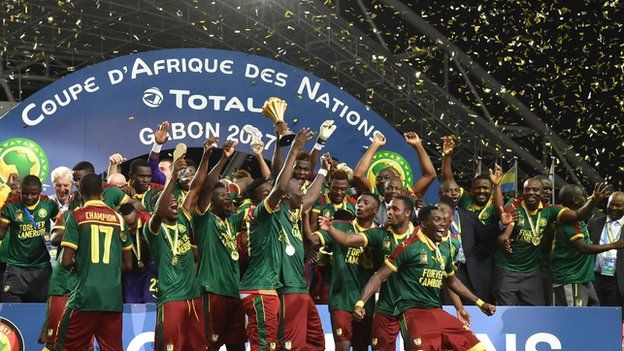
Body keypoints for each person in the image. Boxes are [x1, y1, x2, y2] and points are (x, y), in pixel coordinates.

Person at [352, 206, 496, 351]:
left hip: (436, 310)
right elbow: (378, 276)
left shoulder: (445, 249)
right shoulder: (407, 247)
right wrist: (360, 303)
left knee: (477, 347)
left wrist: (480, 303)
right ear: (424, 225)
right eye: (437, 220)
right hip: (413, 312)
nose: (443, 224)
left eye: (444, 220)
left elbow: (451, 280)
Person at [239, 128, 314, 351]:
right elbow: (281, 186)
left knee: (271, 345)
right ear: (258, 199)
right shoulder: (261, 212)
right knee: (264, 347)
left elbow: (289, 189)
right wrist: (295, 149)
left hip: (266, 288)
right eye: (268, 193)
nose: (275, 196)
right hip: (259, 289)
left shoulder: (271, 215)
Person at [318, 194, 418, 351]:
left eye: (395, 209)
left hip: (413, 304)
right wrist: (330, 228)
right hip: (386, 306)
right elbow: (347, 240)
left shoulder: (419, 237)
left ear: (408, 213)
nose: (390, 212)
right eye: (389, 208)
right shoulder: (379, 234)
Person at [493, 178, 610, 305]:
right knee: (507, 309)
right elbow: (503, 220)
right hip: (507, 269)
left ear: (542, 194)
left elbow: (576, 215)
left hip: (531, 272)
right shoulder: (514, 204)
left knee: (537, 312)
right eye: (527, 189)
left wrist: (593, 200)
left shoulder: (550, 210)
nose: (531, 192)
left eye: (535, 190)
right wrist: (503, 237)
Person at [146, 139, 213, 351]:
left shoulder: (183, 218)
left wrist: (206, 155)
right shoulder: (153, 228)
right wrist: (173, 178)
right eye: (170, 204)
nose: (174, 205)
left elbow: (196, 187)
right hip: (171, 298)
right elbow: (158, 211)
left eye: (175, 203)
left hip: (193, 297)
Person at [56, 173, 133, 351]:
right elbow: (128, 265)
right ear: (102, 192)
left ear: (80, 191)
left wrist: (83, 266)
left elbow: (66, 261)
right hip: (112, 298)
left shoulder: (77, 216)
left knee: (66, 346)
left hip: (85, 296)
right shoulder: (118, 219)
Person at [191, 138, 248, 351]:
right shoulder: (204, 219)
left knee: (237, 346)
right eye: (222, 196)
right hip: (212, 290)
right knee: (210, 345)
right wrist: (223, 158)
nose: (228, 199)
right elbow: (206, 187)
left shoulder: (231, 221)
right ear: (211, 201)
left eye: (229, 195)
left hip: (234, 292)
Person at [304, 192, 379, 351]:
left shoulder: (379, 234)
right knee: (342, 344)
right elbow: (312, 239)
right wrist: (305, 216)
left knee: (361, 347)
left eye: (366, 203)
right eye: (358, 202)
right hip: (340, 298)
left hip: (366, 301)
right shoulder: (338, 226)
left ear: (375, 210)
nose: (360, 205)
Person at [277, 150, 329, 351]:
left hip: (300, 287)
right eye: (298, 190)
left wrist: (324, 170)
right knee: (291, 345)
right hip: (286, 288)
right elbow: (279, 179)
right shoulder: (277, 212)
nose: (303, 192)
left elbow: (312, 195)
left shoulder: (293, 211)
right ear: (286, 194)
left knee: (315, 341)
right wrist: (288, 144)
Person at [551, 185, 624, 306]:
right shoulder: (575, 221)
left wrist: (594, 199)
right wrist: (614, 245)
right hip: (573, 278)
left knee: (595, 313)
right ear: (576, 200)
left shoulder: (579, 219)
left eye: (618, 205)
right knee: (576, 317)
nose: (587, 198)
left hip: (590, 278)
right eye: (584, 196)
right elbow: (584, 248)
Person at [352, 132, 436, 227]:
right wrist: (375, 144)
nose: (383, 181)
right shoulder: (373, 196)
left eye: (387, 178)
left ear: (397, 179)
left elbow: (430, 175)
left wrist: (418, 145)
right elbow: (358, 175)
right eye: (379, 179)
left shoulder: (408, 194)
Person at [0, 175, 59, 302]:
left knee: (40, 312)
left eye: (33, 194)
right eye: (25, 193)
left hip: (41, 268)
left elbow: (61, 225)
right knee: (9, 309)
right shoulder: (11, 206)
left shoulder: (48, 204)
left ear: (40, 192)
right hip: (16, 268)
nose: (29, 197)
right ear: (20, 190)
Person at [588, 191, 624, 309]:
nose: (613, 208)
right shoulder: (594, 223)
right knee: (595, 314)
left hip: (617, 280)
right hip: (595, 278)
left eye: (618, 205)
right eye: (611, 204)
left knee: (614, 316)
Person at [119, 203, 155, 303]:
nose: (130, 228)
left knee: (149, 300)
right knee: (131, 302)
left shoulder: (149, 222)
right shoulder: (118, 226)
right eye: (127, 225)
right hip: (131, 269)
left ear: (138, 215)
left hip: (150, 266)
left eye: (133, 224)